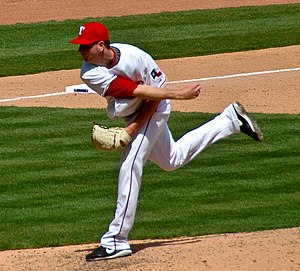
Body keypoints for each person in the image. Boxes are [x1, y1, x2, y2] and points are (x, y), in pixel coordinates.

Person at [70, 22, 263, 261]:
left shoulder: (136, 57)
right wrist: (133, 125)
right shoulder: (89, 72)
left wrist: (132, 130)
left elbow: (154, 96)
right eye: (80, 47)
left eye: (85, 46)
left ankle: (116, 240)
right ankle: (230, 121)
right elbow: (136, 93)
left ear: (101, 45)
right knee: (172, 159)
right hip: (136, 108)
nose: (81, 52)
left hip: (157, 107)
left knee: (130, 163)